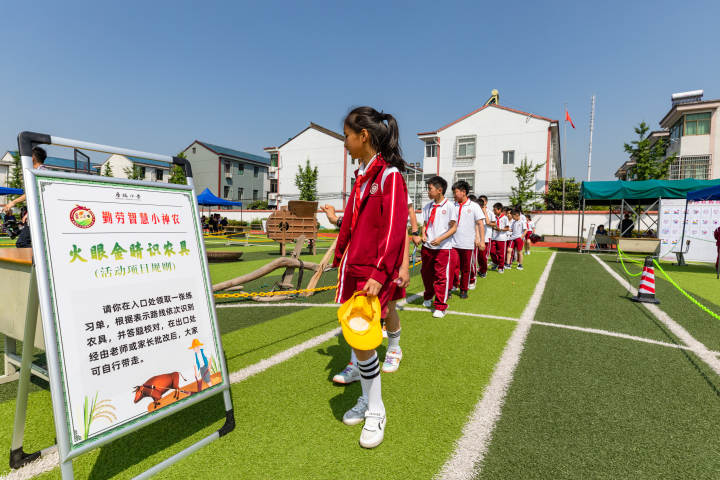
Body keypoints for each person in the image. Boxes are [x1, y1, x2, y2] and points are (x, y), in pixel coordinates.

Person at [331, 106, 408, 449]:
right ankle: (366, 399)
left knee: (363, 343)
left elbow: (394, 229)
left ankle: (376, 409)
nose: (344, 142)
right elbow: (349, 224)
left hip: (372, 273)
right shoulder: (362, 177)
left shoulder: (389, 176)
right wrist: (336, 257)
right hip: (354, 270)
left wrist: (380, 272)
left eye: (346, 135)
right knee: (357, 341)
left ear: (363, 136)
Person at [420, 176, 457, 318]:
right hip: (427, 247)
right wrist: (424, 234)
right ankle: (428, 296)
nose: (428, 192)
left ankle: (440, 306)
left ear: (439, 190)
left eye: (430, 189)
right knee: (426, 274)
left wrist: (440, 239)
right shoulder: (428, 206)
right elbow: (425, 224)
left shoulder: (450, 206)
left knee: (441, 276)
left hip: (443, 248)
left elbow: (454, 228)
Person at [3, 147, 47, 248]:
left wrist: (13, 202)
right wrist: (28, 214)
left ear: (32, 158)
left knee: (22, 243)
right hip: (37, 215)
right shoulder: (41, 171)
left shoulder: (39, 172)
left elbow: (32, 192)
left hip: (40, 216)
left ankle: (39, 262)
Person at [450, 180, 484, 298]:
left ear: (464, 192)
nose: (454, 195)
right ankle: (451, 287)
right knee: (451, 267)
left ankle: (463, 290)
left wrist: (481, 240)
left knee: (465, 269)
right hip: (452, 243)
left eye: (456, 192)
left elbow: (480, 224)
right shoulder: (451, 205)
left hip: (467, 244)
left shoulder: (474, 206)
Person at [489, 202, 510, 273]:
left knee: (501, 254)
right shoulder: (493, 217)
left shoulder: (505, 218)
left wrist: (500, 229)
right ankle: (496, 263)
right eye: (493, 210)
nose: (493, 211)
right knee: (492, 251)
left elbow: (507, 228)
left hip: (502, 238)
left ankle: (501, 267)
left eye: (495, 210)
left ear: (499, 209)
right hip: (494, 237)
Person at [478, 195, 495, 278]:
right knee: (478, 256)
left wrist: (484, 212)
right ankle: (480, 269)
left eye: (483, 201)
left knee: (484, 256)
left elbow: (492, 223)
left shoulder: (490, 212)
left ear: (486, 202)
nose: (481, 202)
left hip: (486, 237)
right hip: (478, 237)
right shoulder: (476, 210)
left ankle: (483, 271)